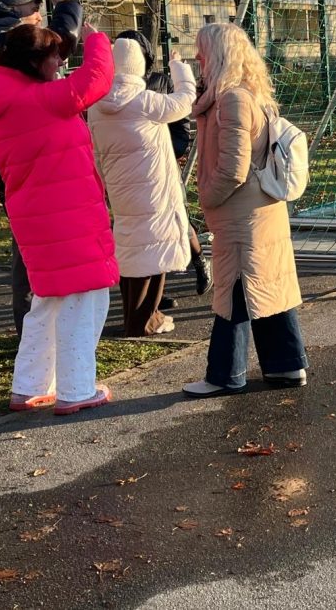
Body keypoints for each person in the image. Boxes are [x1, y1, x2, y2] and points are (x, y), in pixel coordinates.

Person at [0, 20, 117, 414]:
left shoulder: (7, 96)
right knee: (84, 302)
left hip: (33, 218)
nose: (61, 63)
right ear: (35, 61)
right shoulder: (44, 99)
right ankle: (77, 389)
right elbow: (96, 78)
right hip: (71, 219)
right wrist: (96, 39)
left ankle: (28, 386)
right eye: (56, 56)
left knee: (47, 303)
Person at [182, 22, 308, 397]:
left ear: (218, 55)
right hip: (257, 212)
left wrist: (206, 198)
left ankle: (225, 375)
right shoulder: (241, 95)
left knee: (234, 294)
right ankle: (287, 367)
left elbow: (233, 168)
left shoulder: (233, 100)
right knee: (266, 289)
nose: (196, 57)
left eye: (201, 50)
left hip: (243, 216)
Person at [88, 37, 196, 337]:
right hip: (154, 190)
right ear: (139, 68)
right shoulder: (145, 102)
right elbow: (186, 99)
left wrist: (104, 185)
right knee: (155, 254)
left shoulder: (97, 107)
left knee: (131, 252)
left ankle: (141, 316)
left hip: (121, 191)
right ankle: (142, 322)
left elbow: (95, 152)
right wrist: (178, 67)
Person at [113, 30, 213, 311]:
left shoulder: (158, 82)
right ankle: (150, 304)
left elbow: (181, 120)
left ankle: (198, 260)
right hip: (129, 174)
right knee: (142, 234)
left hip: (161, 165)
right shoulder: (110, 93)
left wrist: (170, 152)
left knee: (176, 217)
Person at [0, 0, 47, 337]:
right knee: (29, 253)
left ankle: (30, 328)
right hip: (21, 163)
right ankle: (32, 331)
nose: (39, 15)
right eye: (33, 8)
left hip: (13, 162)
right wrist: (69, 10)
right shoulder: (11, 45)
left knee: (26, 249)